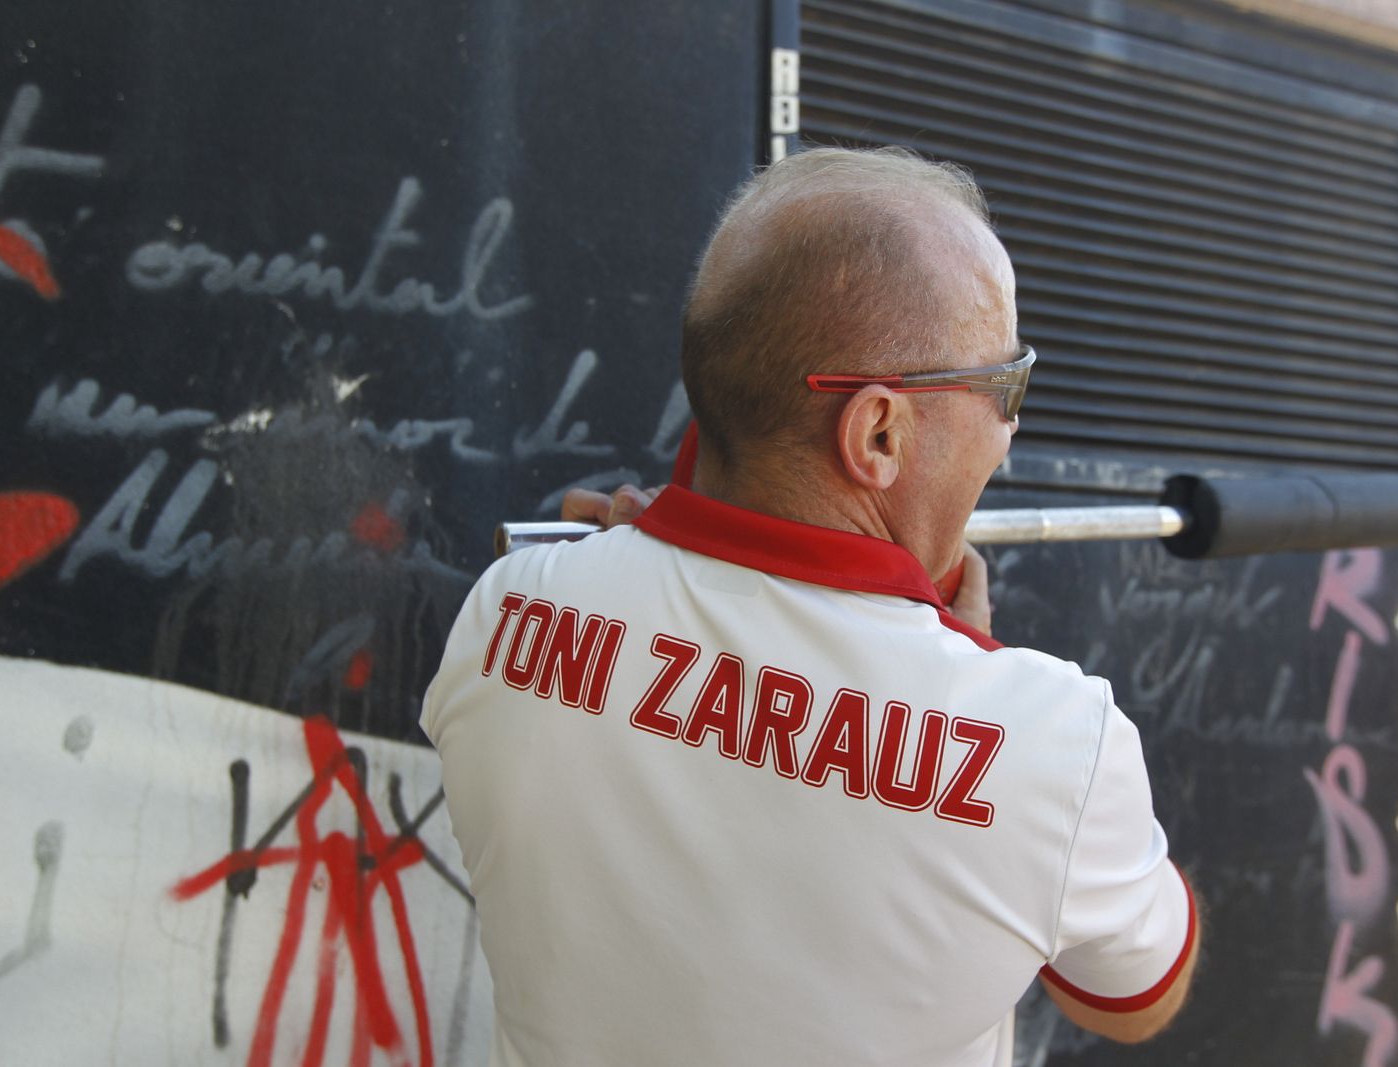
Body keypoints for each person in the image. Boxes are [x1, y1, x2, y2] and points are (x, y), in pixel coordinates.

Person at [422, 146, 1198, 1067]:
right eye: (1004, 386)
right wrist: (967, 663)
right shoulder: (1056, 748)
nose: (1011, 430)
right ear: (877, 431)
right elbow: (1137, 995)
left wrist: (634, 553)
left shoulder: (503, 613)